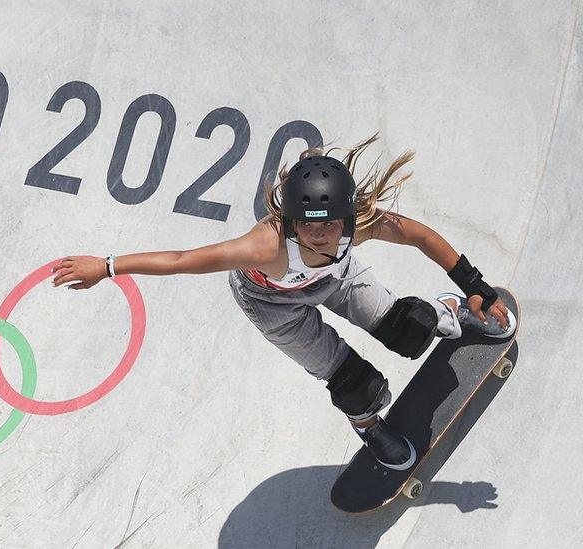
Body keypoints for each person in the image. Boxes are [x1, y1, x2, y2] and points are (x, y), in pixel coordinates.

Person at [50, 134, 516, 470]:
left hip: (338, 279)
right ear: (291, 221)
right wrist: (107, 265)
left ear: (346, 218)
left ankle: (449, 310)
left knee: (410, 329)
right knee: (355, 384)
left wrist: (475, 284)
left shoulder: (361, 222)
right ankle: (369, 426)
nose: (319, 236)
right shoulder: (264, 246)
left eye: (330, 226)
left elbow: (419, 236)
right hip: (272, 306)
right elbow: (181, 259)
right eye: (307, 227)